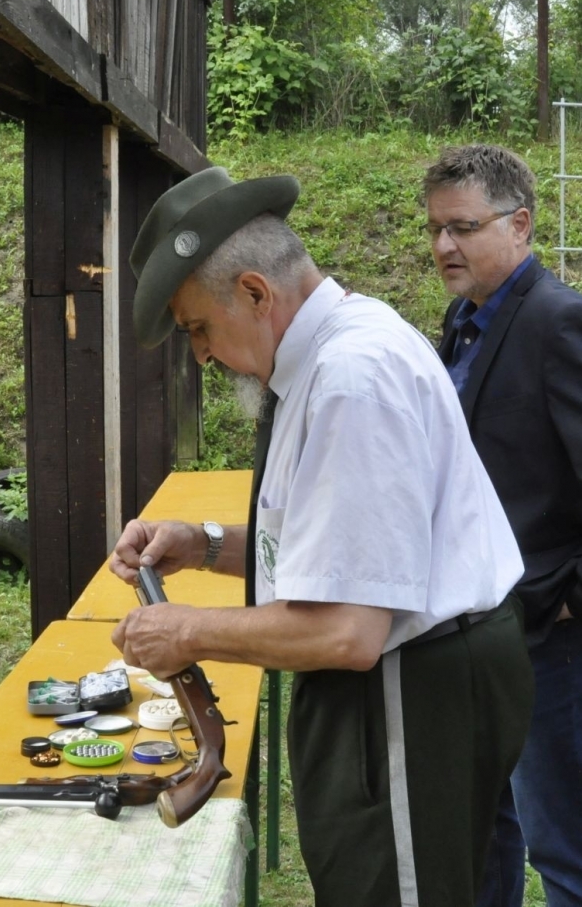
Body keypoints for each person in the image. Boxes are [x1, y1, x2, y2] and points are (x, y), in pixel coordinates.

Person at [108, 165, 534, 907]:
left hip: (409, 688)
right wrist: (204, 543)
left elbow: (346, 629)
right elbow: (342, 551)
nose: (201, 356)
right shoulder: (333, 354)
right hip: (412, 680)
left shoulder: (350, 379)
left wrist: (186, 631)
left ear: (253, 292)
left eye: (198, 329)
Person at [422, 145, 582, 907]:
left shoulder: (562, 323)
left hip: (552, 636)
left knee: (562, 843)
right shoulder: (466, 319)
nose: (443, 247)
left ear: (520, 225)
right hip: (488, 625)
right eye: (434, 228)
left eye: (462, 227)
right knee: (488, 825)